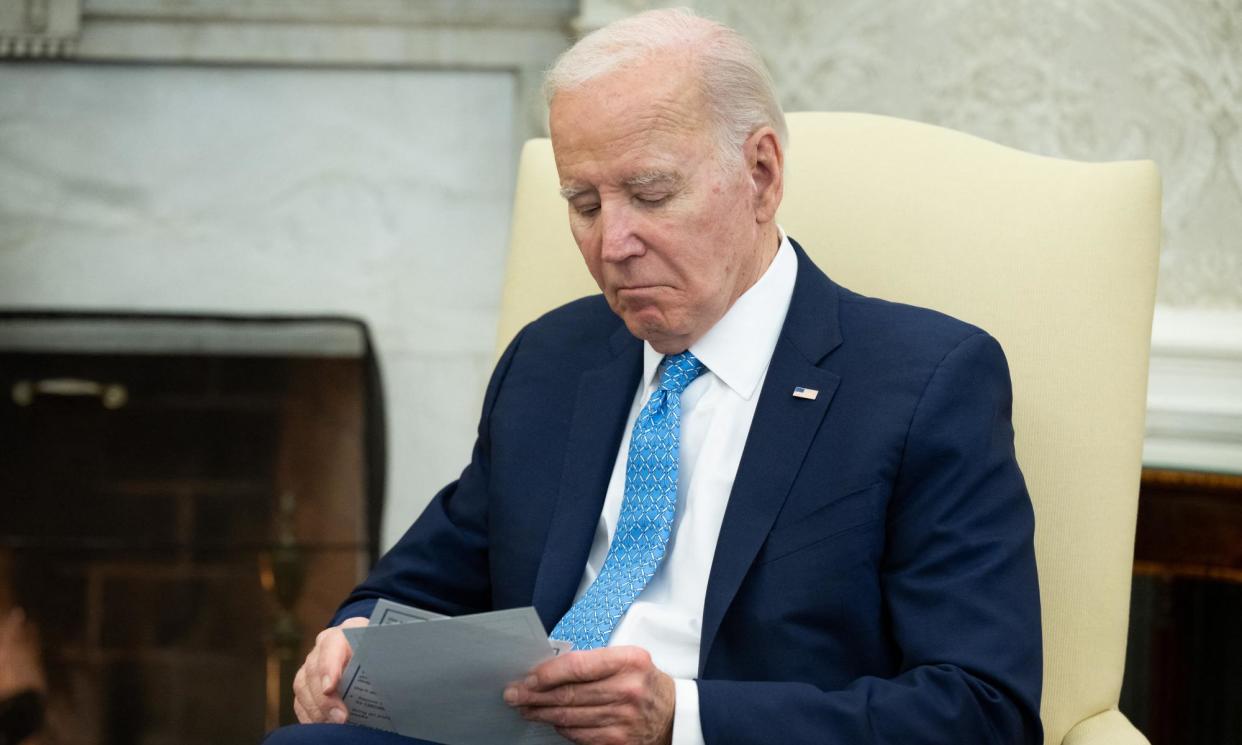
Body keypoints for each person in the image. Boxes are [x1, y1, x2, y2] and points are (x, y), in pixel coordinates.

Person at [266, 8, 1042, 745]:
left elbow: (980, 709)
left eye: (649, 194)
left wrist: (684, 717)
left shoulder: (924, 382)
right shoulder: (552, 361)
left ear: (762, 175)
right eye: (585, 203)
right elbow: (412, 593)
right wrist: (352, 640)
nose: (613, 243)